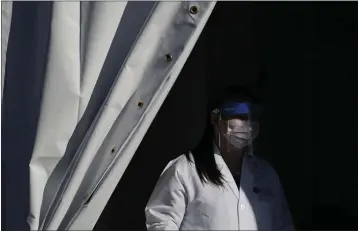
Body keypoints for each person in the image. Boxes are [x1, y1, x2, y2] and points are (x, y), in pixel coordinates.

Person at [145, 86, 295, 230]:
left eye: (253, 117)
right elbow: (161, 222)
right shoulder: (185, 170)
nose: (247, 124)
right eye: (239, 116)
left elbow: (282, 225)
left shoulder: (265, 174)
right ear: (215, 118)